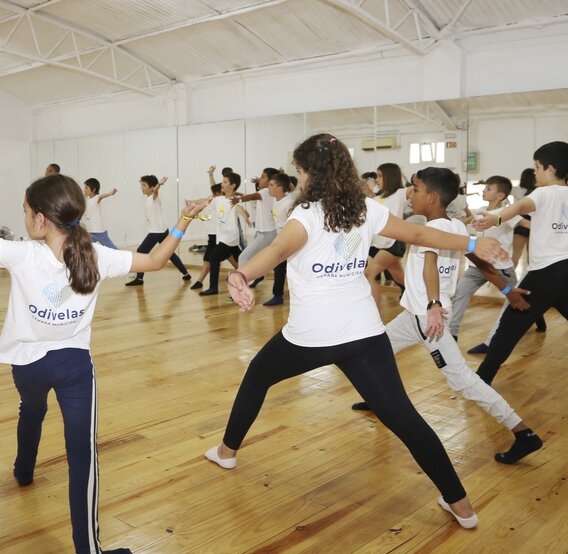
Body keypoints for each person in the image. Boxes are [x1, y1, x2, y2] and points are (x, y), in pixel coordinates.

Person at [204, 133, 511, 530]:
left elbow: (277, 251)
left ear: (310, 173)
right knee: (403, 417)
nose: (299, 178)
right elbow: (418, 234)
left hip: (311, 338)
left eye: (299, 171)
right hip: (365, 336)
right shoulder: (366, 209)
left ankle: (227, 452)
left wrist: (241, 274)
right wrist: (471, 243)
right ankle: (462, 505)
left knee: (257, 375)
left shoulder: (306, 215)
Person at [0, 174, 209, 554]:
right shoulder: (96, 254)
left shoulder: (21, 254)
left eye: (25, 211)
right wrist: (184, 218)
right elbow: (156, 261)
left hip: (27, 366)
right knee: (83, 455)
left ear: (40, 219)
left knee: (31, 410)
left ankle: (24, 469)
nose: (23, 217)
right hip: (74, 367)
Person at [351, 168, 543, 464]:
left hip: (430, 319)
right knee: (377, 349)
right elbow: (480, 261)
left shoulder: (434, 228)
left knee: (463, 381)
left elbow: (430, 265)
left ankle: (523, 432)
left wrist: (433, 304)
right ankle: (379, 399)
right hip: (415, 315)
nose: (411, 195)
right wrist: (506, 289)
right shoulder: (455, 226)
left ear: (432, 196)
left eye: (416, 189)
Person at [474, 141, 568, 384]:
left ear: (549, 168)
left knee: (509, 327)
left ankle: (481, 380)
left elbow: (520, 206)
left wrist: (494, 218)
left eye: (537, 167)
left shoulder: (542, 193)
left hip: (546, 274)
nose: (535, 173)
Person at [449, 175, 546, 347]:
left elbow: (526, 224)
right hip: (476, 267)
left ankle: (536, 320)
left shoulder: (507, 214)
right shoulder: (480, 210)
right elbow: (469, 226)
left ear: (500, 195)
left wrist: (549, 229)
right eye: (485, 188)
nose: (484, 191)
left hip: (501, 269)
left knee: (517, 299)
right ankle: (452, 334)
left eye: (488, 189)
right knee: (460, 295)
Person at [125, 175, 191, 286]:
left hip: (156, 232)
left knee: (141, 251)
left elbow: (155, 191)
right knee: (169, 253)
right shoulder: (149, 199)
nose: (141, 187)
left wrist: (159, 184)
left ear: (151, 187)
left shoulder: (153, 197)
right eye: (141, 185)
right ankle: (186, 273)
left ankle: (139, 279)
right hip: (162, 230)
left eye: (144, 185)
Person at [364, 163, 407, 307]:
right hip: (380, 244)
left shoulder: (400, 194)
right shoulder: (379, 196)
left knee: (368, 275)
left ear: (390, 177)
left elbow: (415, 187)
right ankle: (415, 295)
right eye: (377, 176)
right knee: (400, 279)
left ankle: (374, 314)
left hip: (393, 243)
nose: (376, 179)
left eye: (380, 176)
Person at [200, 171, 249, 296]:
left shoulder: (234, 200)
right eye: (222, 181)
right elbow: (206, 200)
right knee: (240, 258)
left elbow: (240, 209)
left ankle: (213, 287)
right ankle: (253, 273)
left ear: (233, 185)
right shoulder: (218, 199)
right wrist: (193, 204)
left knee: (214, 257)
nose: (221, 184)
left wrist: (245, 216)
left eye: (225, 182)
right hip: (222, 236)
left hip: (230, 236)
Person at [230, 167, 280, 288]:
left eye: (263, 177)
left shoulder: (266, 192)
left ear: (271, 181)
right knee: (257, 258)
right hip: (264, 232)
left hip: (266, 234)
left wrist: (238, 199)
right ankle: (257, 276)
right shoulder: (271, 192)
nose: (260, 180)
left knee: (243, 257)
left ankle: (242, 287)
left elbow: (252, 196)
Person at [263, 173, 293, 306]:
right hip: (282, 240)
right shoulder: (276, 200)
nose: (268, 187)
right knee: (279, 267)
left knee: (286, 268)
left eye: (271, 185)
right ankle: (277, 296)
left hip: (290, 242)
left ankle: (280, 295)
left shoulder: (289, 203)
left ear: (280, 188)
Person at [82, 178, 118, 249]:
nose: (84, 189)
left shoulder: (97, 198)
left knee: (112, 248)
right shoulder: (86, 198)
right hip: (89, 231)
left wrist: (110, 193)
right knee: (84, 246)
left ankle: (121, 255)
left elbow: (103, 196)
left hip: (99, 232)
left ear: (93, 189)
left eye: (86, 188)